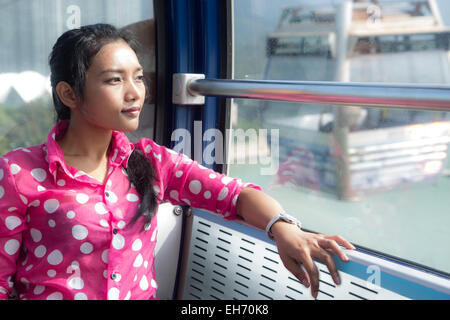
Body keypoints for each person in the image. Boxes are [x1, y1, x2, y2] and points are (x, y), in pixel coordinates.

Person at [0, 23, 354, 300]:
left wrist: (283, 227)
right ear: (69, 93)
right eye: (114, 80)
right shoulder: (19, 174)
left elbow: (234, 194)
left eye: (138, 77)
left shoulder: (150, 162)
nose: (134, 91)